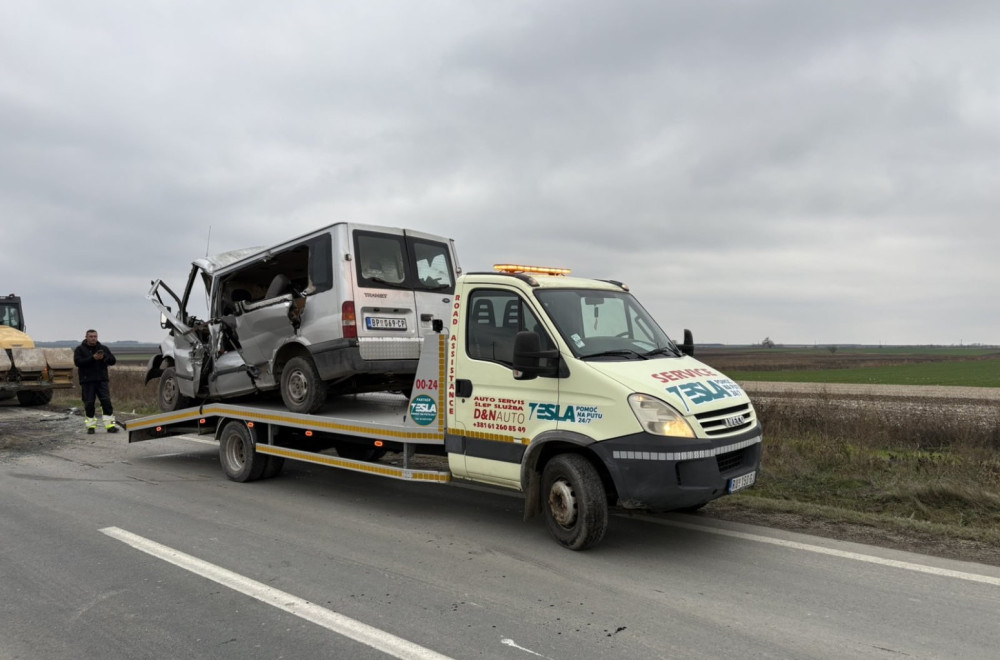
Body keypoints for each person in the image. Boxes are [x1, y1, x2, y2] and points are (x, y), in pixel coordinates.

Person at [73, 329, 118, 433]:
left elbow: (113, 361)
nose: (93, 338)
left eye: (95, 336)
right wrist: (92, 358)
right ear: (86, 337)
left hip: (102, 380)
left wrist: (104, 357)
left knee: (106, 403)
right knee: (89, 404)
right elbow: (78, 362)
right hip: (87, 381)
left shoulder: (103, 348)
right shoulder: (80, 349)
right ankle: (91, 427)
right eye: (91, 336)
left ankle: (110, 426)